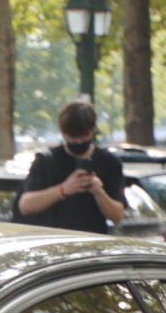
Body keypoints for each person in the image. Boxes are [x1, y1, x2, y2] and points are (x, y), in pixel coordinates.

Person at [15, 100, 127, 234]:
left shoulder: (110, 162)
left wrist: (99, 192)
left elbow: (118, 216)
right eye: (73, 136)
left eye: (84, 135)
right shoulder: (46, 161)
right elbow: (26, 205)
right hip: (55, 240)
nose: (79, 141)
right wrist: (63, 190)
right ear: (63, 132)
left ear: (93, 131)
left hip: (93, 242)